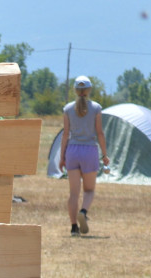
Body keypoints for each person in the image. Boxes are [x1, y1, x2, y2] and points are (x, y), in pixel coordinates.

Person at [59, 75, 109, 236]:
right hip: (89, 151)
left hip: (72, 151)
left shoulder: (67, 109)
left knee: (74, 193)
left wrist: (62, 157)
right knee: (89, 190)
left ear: (75, 90)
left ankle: (74, 227)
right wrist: (105, 155)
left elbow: (65, 134)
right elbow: (100, 133)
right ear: (89, 90)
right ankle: (83, 211)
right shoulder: (96, 108)